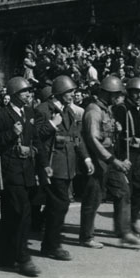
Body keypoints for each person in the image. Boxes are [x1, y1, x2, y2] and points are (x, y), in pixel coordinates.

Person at [0, 76, 43, 277]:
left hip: (27, 169)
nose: (29, 94)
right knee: (22, 214)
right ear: (15, 94)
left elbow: (35, 138)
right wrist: (11, 133)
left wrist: (42, 164)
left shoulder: (29, 112)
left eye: (29, 91)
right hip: (10, 170)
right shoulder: (1, 115)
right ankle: (23, 258)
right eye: (25, 91)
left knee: (10, 215)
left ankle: (4, 257)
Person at [79, 75, 140, 248]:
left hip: (109, 158)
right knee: (93, 198)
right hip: (98, 159)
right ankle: (86, 236)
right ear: (107, 93)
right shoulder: (93, 111)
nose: (119, 97)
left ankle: (124, 233)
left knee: (123, 191)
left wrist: (116, 130)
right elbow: (93, 140)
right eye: (116, 94)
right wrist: (114, 161)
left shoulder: (107, 109)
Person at [34, 75, 89, 261]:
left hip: (67, 166)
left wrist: (86, 157)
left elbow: (76, 137)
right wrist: (52, 124)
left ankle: (48, 242)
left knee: (57, 205)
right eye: (70, 92)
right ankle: (52, 246)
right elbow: (36, 137)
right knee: (60, 204)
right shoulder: (43, 110)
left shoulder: (68, 111)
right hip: (52, 166)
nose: (73, 95)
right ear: (59, 92)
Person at [112, 77, 140, 238]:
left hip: (139, 155)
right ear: (129, 92)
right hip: (124, 154)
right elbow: (116, 134)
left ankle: (132, 220)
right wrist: (129, 140)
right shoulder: (121, 109)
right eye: (136, 92)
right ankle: (122, 228)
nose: (139, 96)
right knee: (125, 192)